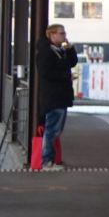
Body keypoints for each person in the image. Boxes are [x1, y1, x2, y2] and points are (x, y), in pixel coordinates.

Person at [34, 22, 78, 171]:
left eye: (64, 33)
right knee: (52, 130)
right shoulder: (46, 52)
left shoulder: (59, 49)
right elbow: (45, 73)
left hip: (60, 96)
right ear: (52, 35)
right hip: (53, 97)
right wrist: (66, 77)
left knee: (56, 129)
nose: (64, 35)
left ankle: (49, 161)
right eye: (61, 33)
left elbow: (72, 62)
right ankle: (47, 162)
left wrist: (70, 48)